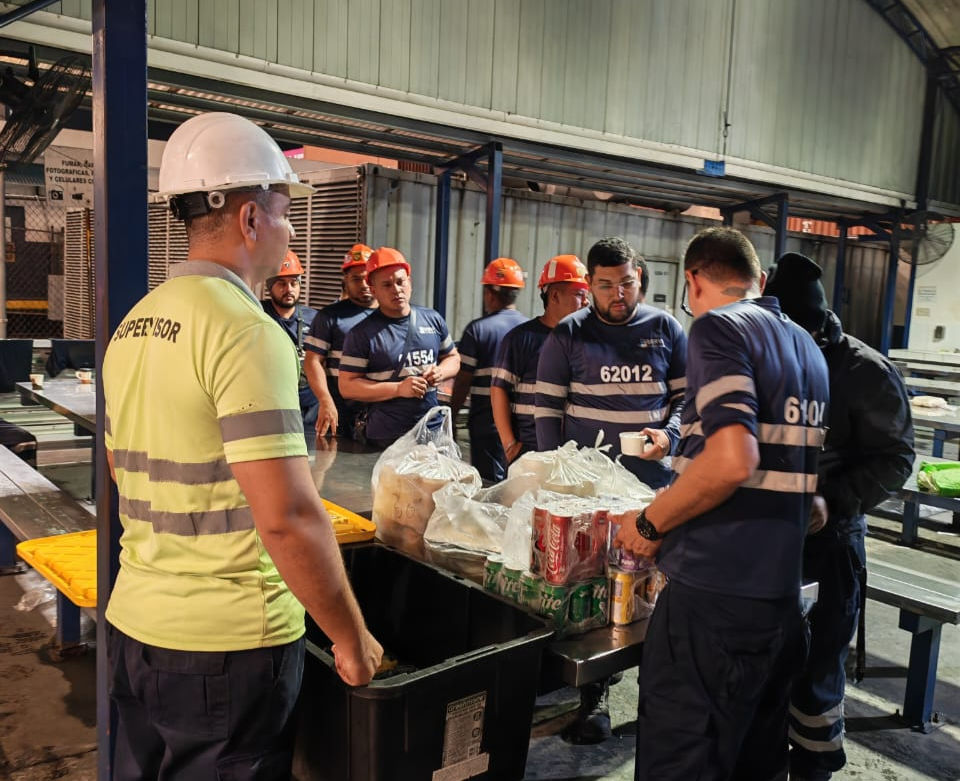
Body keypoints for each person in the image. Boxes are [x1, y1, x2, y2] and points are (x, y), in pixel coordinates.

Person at [101, 111, 382, 780]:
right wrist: (350, 636)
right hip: (226, 648)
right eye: (284, 213)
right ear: (251, 219)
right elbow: (287, 516)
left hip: (136, 627)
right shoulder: (246, 331)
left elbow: (120, 468)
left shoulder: (135, 324)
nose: (291, 232)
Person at [615, 226, 830, 780]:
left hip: (714, 602)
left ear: (692, 280)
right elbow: (804, 493)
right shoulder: (807, 346)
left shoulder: (719, 327)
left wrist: (649, 522)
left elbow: (733, 460)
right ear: (761, 279)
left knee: (682, 759)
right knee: (752, 762)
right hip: (779, 603)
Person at [764, 252, 915, 781]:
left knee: (817, 672)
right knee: (766, 669)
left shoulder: (863, 370)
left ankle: (813, 768)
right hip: (765, 542)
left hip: (829, 548)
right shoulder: (766, 354)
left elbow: (897, 458)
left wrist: (834, 499)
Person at [535, 237, 687, 490]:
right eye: (605, 285)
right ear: (589, 284)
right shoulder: (567, 333)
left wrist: (670, 437)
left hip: (652, 483)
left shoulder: (666, 328)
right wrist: (555, 475)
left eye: (627, 283)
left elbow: (687, 399)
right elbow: (547, 409)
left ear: (639, 276)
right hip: (587, 485)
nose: (618, 295)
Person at [339, 247, 460, 449]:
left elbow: (453, 358)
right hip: (386, 437)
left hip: (432, 431)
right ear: (374, 290)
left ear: (409, 282)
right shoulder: (361, 334)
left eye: (400, 281)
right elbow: (347, 386)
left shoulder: (432, 319)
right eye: (387, 285)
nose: (396, 289)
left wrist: (441, 371)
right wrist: (398, 389)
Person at [491, 254, 590, 462]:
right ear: (554, 296)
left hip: (575, 454)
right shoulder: (521, 339)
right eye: (579, 294)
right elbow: (499, 389)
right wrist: (509, 444)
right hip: (530, 451)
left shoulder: (586, 340)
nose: (586, 301)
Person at [449, 257, 529, 481]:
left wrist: (452, 415)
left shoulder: (478, 330)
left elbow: (463, 381)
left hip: (486, 424)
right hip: (521, 426)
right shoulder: (530, 329)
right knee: (517, 483)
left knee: (490, 485)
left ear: (489, 294)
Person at [304, 244, 378, 439]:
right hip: (340, 411)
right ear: (345, 280)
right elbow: (312, 361)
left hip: (381, 412)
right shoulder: (329, 316)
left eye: (368, 278)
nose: (363, 284)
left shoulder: (391, 314)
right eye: (356, 279)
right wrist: (325, 400)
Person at [261, 249, 320, 434]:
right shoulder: (256, 314)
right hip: (272, 406)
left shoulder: (314, 318)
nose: (289, 289)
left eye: (294, 283)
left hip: (310, 407)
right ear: (269, 286)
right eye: (281, 284)